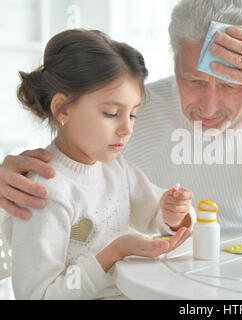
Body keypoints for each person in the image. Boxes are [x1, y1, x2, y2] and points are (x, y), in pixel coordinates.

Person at [0, 0, 242, 237]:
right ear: (174, 62)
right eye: (194, 80)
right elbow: (54, 190)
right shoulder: (139, 110)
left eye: (231, 86)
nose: (209, 107)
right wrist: (13, 186)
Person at [1, 29, 195, 299]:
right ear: (63, 109)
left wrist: (173, 214)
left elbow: (154, 216)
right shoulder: (45, 191)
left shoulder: (114, 167)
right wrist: (114, 253)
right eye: (112, 114)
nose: (126, 128)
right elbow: (38, 295)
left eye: (133, 115)